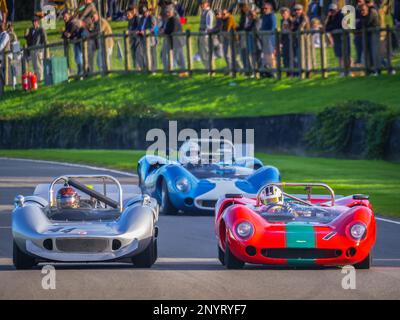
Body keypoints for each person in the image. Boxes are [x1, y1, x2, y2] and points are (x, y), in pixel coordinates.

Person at [161, 6, 187, 76]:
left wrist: (164, 32)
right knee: (179, 57)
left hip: (178, 41)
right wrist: (164, 31)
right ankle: (181, 71)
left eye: (168, 12)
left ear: (172, 12)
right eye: (166, 12)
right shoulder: (169, 19)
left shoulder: (175, 19)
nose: (167, 13)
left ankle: (181, 71)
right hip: (173, 41)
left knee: (178, 57)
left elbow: (173, 30)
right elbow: (167, 29)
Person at [325, 3, 349, 76]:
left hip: (343, 38)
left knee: (344, 55)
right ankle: (341, 71)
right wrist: (328, 18)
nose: (332, 12)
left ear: (337, 10)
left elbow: (338, 25)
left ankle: (347, 70)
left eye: (333, 11)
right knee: (339, 55)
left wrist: (332, 27)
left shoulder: (341, 15)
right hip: (336, 39)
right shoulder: (331, 17)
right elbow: (327, 28)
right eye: (331, 11)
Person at [77, 0, 99, 74]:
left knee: (89, 54)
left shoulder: (90, 5)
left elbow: (83, 14)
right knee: (85, 53)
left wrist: (78, 20)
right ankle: (87, 71)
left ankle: (90, 72)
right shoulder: (84, 5)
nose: (85, 0)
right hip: (85, 30)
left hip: (89, 31)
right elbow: (78, 11)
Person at [24, 16, 47, 82]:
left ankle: (40, 79)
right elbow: (28, 39)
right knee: (34, 65)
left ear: (38, 22)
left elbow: (44, 39)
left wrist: (41, 49)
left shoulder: (41, 29)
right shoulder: (31, 29)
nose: (34, 23)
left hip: (38, 50)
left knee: (39, 65)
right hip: (32, 50)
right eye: (33, 22)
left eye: (35, 22)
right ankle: (36, 80)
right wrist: (26, 35)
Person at [62, 11, 85, 76]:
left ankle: (81, 72)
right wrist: (65, 33)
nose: (64, 18)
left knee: (79, 57)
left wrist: (64, 32)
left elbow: (68, 35)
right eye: (63, 17)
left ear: (69, 16)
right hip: (76, 41)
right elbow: (65, 35)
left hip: (79, 40)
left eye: (65, 16)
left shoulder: (72, 23)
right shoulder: (68, 23)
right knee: (78, 57)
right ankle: (81, 72)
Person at [136, 6, 158, 71]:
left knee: (152, 54)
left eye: (145, 12)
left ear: (148, 11)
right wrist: (138, 31)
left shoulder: (152, 18)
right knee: (144, 54)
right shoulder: (142, 18)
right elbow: (139, 27)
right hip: (143, 39)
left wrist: (145, 31)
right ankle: (146, 68)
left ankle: (154, 69)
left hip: (151, 39)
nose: (144, 13)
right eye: (143, 12)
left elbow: (153, 28)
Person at [291, 4, 310, 77]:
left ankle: (305, 72)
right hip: (296, 39)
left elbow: (301, 27)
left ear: (302, 10)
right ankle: (297, 72)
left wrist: (296, 29)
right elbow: (292, 28)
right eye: (295, 10)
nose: (297, 11)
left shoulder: (304, 17)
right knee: (296, 56)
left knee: (303, 56)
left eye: (298, 10)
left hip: (304, 40)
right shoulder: (295, 18)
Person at [260, 2, 276, 77]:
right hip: (264, 37)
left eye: (266, 8)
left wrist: (266, 33)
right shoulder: (264, 16)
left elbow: (272, 28)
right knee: (265, 54)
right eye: (263, 8)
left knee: (271, 54)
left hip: (270, 38)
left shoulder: (271, 16)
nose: (264, 10)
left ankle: (273, 70)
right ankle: (267, 70)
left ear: (270, 9)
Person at [198, 0, 215, 71]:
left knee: (207, 52)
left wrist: (205, 35)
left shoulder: (209, 12)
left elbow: (209, 26)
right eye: (201, 4)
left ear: (207, 4)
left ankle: (211, 69)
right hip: (201, 34)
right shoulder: (203, 12)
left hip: (205, 36)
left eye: (203, 4)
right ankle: (207, 68)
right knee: (202, 53)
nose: (201, 5)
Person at [279, 7, 293, 76]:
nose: (283, 15)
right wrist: (280, 42)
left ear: (288, 13)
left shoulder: (291, 20)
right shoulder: (282, 21)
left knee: (290, 56)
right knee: (285, 56)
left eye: (284, 13)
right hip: (284, 40)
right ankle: (287, 71)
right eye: (282, 13)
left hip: (290, 40)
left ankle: (291, 72)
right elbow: (282, 31)